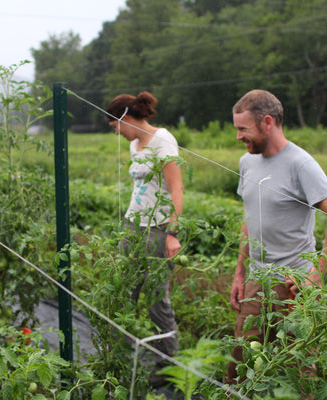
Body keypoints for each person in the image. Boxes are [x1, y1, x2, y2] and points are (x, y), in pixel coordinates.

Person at [225, 89, 327, 385]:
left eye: (243, 129)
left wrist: (314, 275)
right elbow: (250, 219)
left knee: (296, 373)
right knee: (239, 366)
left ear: (267, 122)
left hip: (292, 287)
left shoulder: (301, 163)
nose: (238, 137)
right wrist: (239, 271)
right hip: (256, 283)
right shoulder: (247, 163)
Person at [105, 91, 183, 387]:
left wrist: (172, 234)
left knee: (155, 300)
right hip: (133, 226)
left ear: (126, 118)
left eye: (116, 127)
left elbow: (176, 189)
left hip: (158, 228)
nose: (117, 133)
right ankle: (121, 358)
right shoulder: (135, 145)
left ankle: (167, 367)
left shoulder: (163, 140)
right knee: (125, 293)